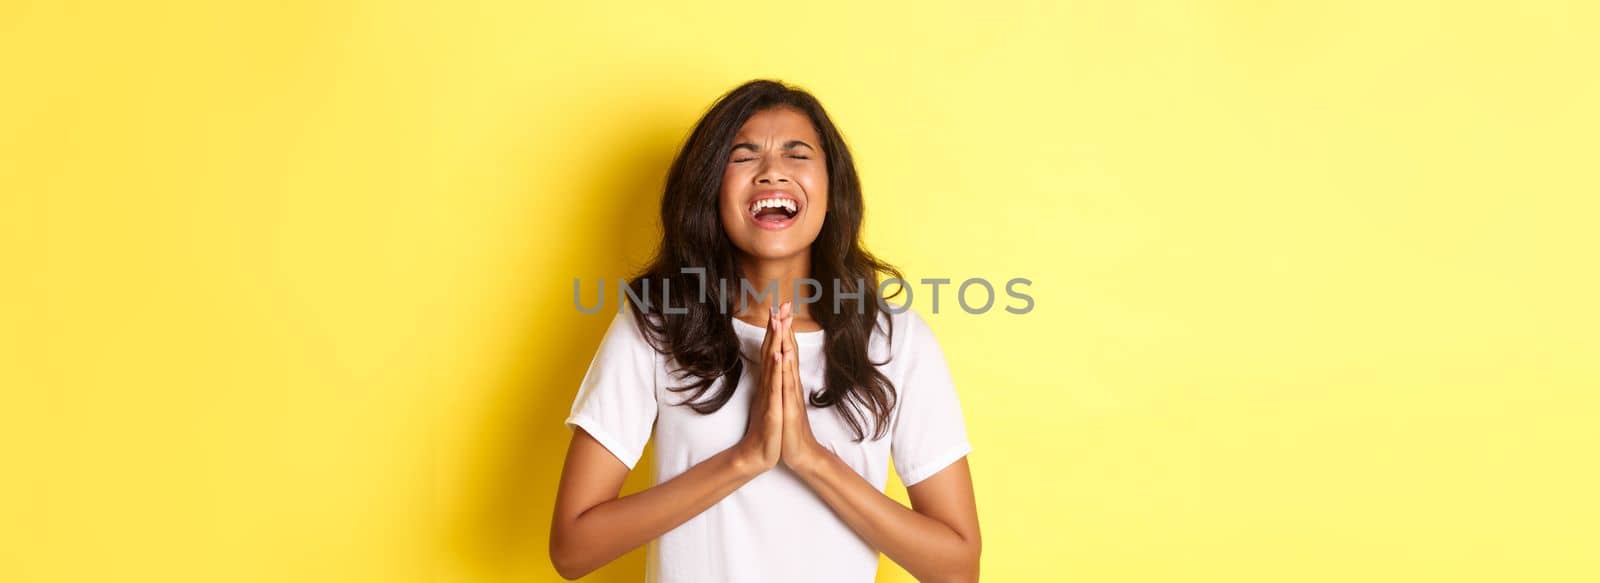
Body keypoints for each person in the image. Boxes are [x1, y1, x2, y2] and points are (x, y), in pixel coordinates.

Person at [549, 79, 980, 582]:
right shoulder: (656, 328)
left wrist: (811, 459)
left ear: (831, 189)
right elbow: (572, 549)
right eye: (744, 156)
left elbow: (956, 568)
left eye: (797, 155)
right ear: (711, 187)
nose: (773, 171)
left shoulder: (894, 340)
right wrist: (746, 458)